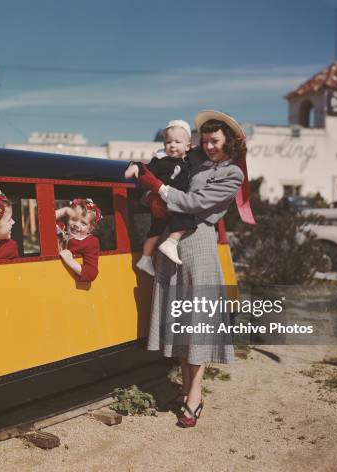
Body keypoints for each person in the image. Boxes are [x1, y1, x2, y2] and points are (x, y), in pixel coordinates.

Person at [137, 110, 254, 428]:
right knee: (181, 320)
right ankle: (186, 388)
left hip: (199, 243)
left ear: (229, 141)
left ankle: (195, 396)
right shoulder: (193, 160)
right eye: (206, 141)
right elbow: (169, 184)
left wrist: (159, 190)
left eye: (215, 141)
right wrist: (154, 193)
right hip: (171, 243)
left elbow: (193, 204)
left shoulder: (233, 175)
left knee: (197, 322)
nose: (210, 146)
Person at [125, 120, 197, 274]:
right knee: (187, 215)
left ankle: (145, 258)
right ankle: (171, 242)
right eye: (168, 141)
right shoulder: (161, 160)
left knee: (155, 230)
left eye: (178, 142)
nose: (172, 145)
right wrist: (135, 165)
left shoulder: (188, 161)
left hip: (169, 199)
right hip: (163, 200)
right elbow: (148, 169)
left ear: (188, 146)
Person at [55, 198, 101, 283]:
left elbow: (91, 273)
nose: (76, 224)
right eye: (74, 219)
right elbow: (45, 219)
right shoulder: (62, 228)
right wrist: (66, 210)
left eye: (83, 223)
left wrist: (71, 261)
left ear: (90, 228)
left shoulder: (91, 242)